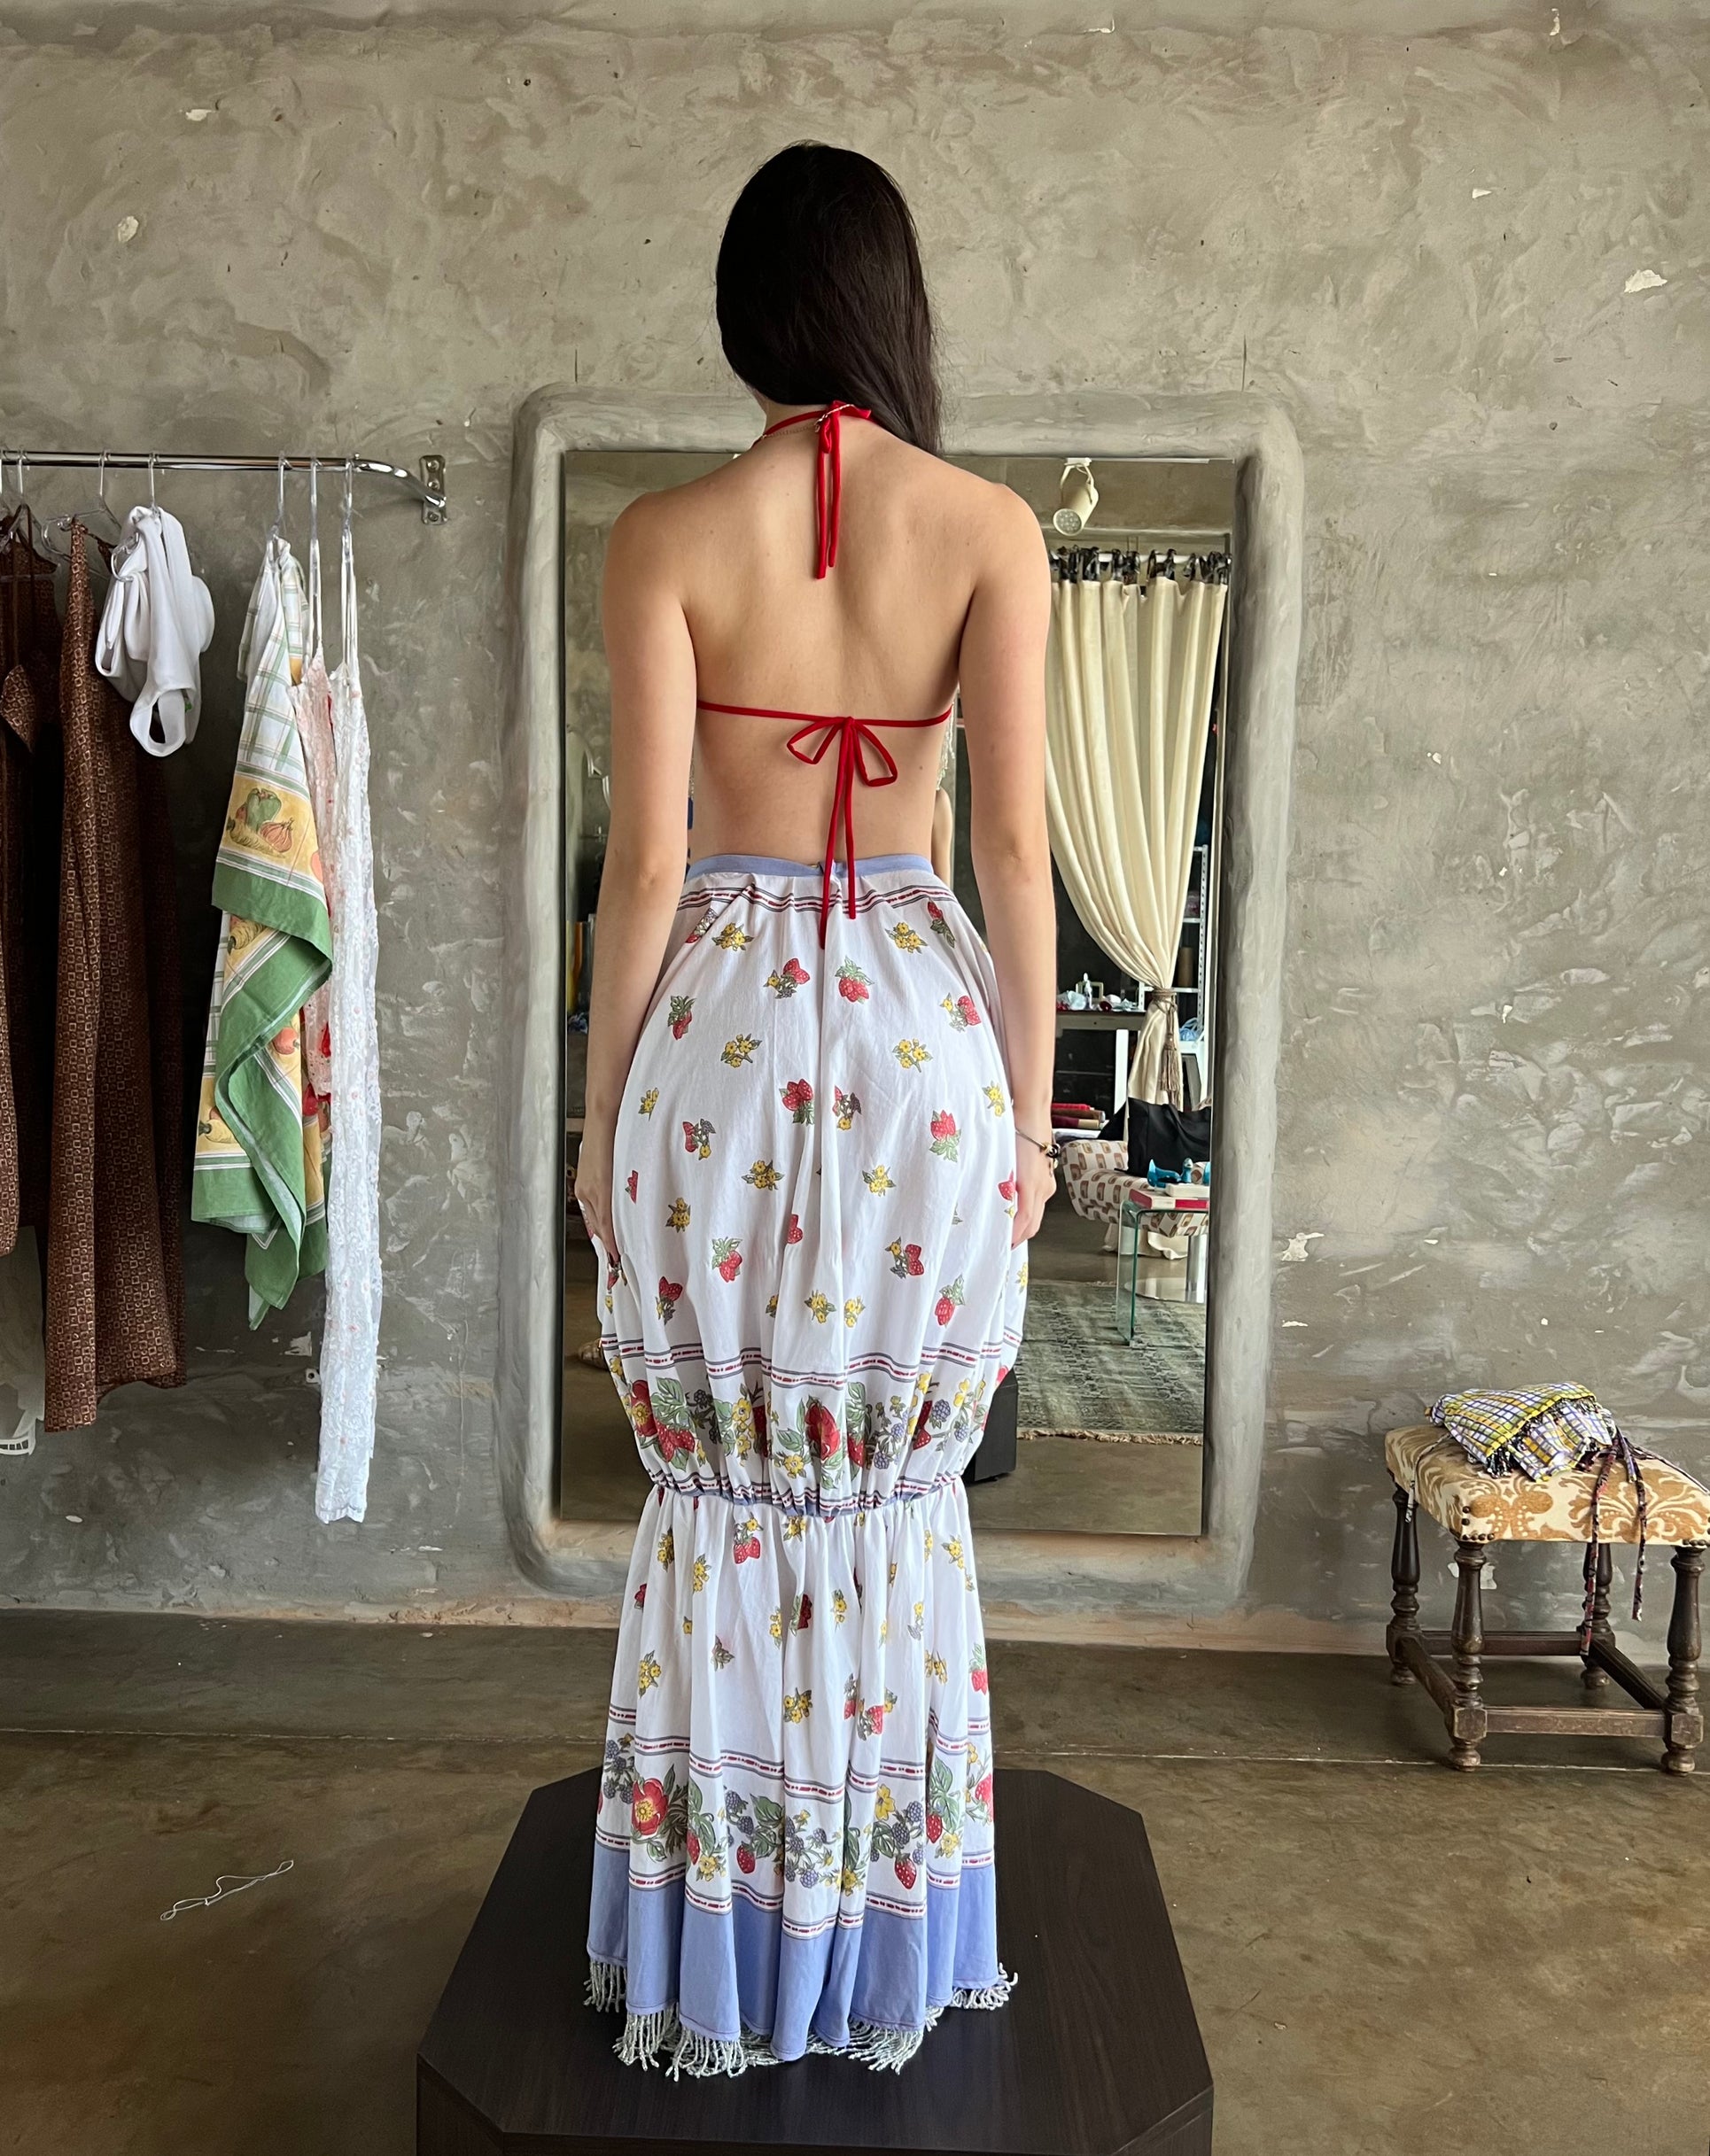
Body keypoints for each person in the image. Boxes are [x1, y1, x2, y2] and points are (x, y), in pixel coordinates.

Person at [573, 139, 1057, 2079]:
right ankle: (877, 1926)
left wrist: (599, 1129)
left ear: (744, 310)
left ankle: (725, 1931)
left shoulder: (662, 536)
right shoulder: (989, 528)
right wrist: (1032, 1119)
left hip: (718, 1043)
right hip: (924, 1051)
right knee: (889, 1487)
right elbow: (1011, 853)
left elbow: (641, 867)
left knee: (728, 1480)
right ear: (892, 303)